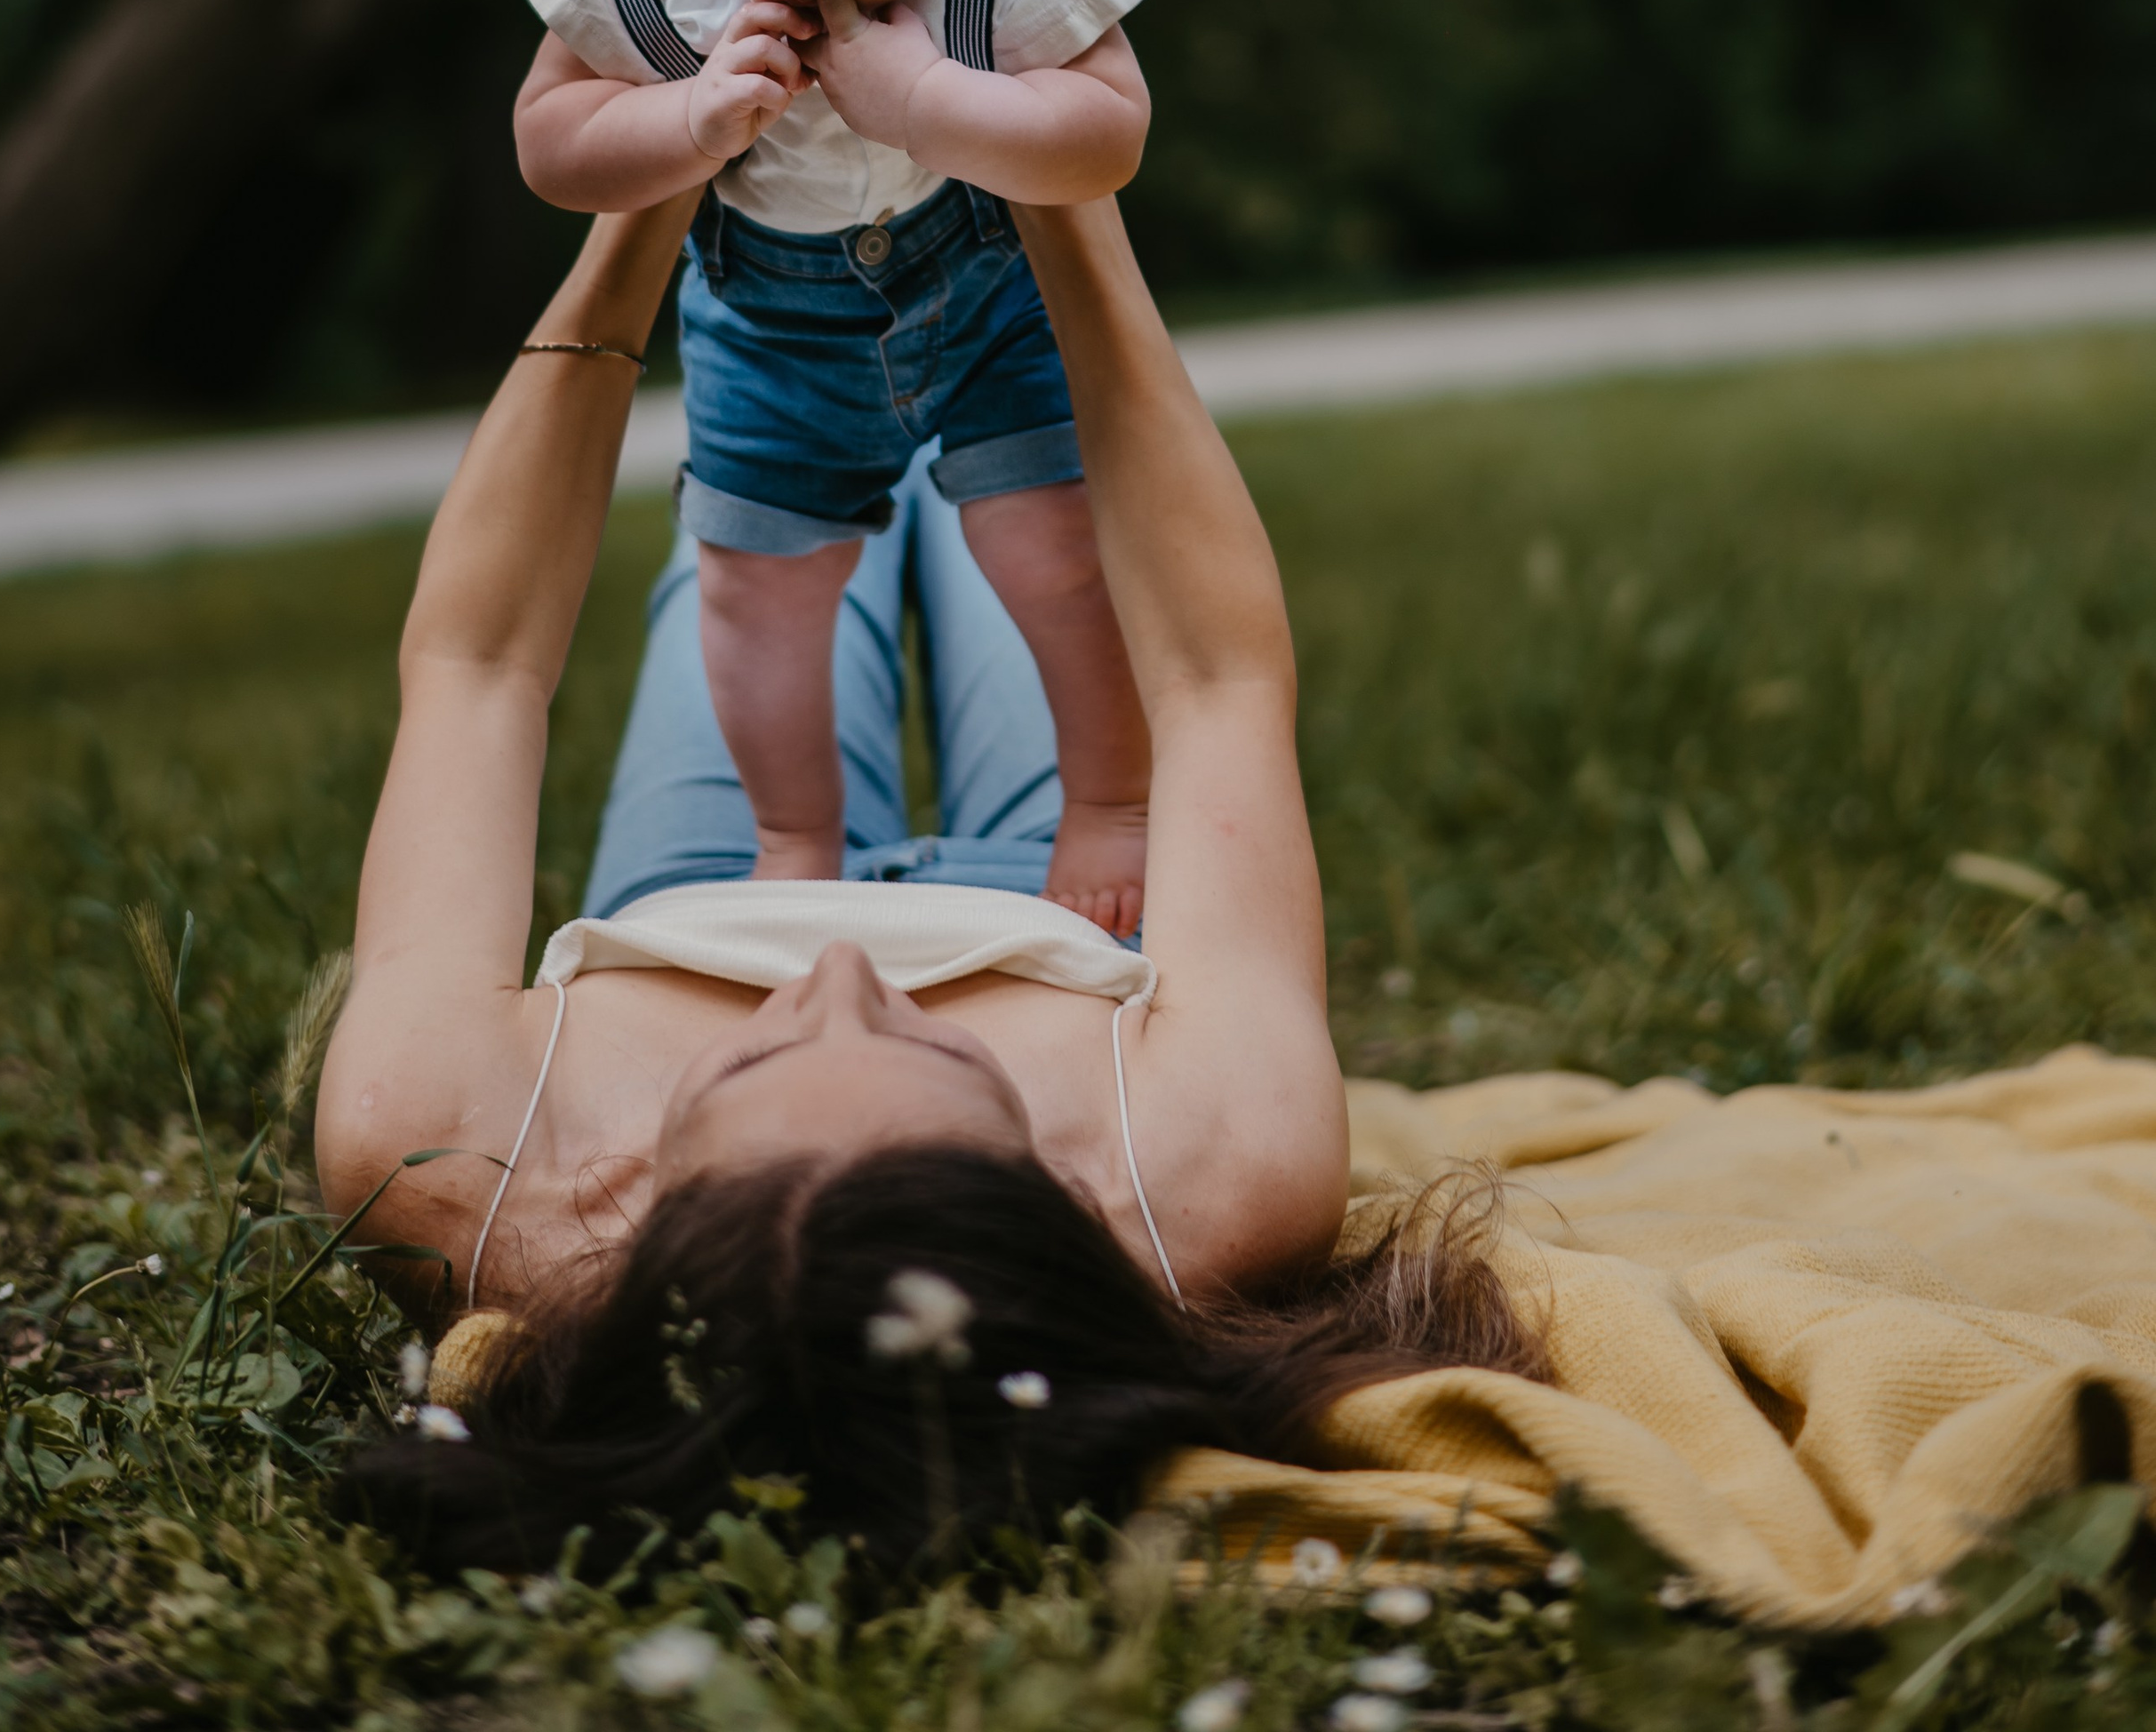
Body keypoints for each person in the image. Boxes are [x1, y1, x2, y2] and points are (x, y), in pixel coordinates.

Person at [322, 188, 1541, 1583]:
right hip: (1060, 901)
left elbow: (479, 666)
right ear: (1062, 1200)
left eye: (752, 1054)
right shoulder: (1218, 1168)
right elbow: (1215, 679)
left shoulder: (441, 1157)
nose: (842, 975)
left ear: (628, 1200)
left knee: (758, 544)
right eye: (943, 1054)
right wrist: (1059, 199)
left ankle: (806, 320)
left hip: (707, 880)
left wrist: (642, 215)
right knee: (1037, 520)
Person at [510, 0, 1156, 930]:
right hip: (770, 323)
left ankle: (1109, 798)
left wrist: (926, 102)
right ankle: (795, 840)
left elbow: (1110, 131)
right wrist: (688, 120)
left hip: (983, 289)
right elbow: (550, 142)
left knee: (1057, 552)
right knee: (756, 596)